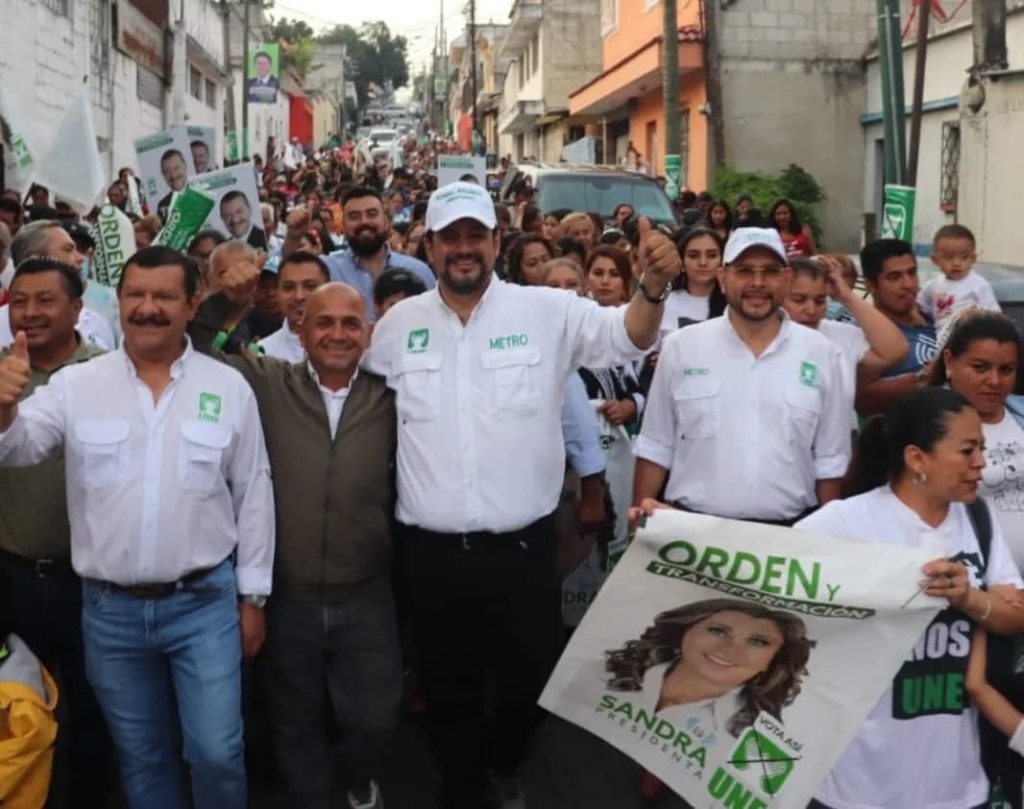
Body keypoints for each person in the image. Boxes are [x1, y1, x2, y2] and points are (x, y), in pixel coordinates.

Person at [363, 180, 681, 809]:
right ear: (428, 246)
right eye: (449, 237)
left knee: (532, 678)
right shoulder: (398, 327)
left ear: (496, 241)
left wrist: (651, 285)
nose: (462, 249)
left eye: (474, 235)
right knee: (447, 686)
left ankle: (503, 762)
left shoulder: (547, 312)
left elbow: (630, 337)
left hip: (522, 549)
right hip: (430, 552)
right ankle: (463, 785)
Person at [0, 245, 275, 809]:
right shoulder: (79, 385)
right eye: (135, 295)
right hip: (110, 614)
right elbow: (18, 447)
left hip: (204, 606)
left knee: (217, 752)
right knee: (143, 758)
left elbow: (253, 494)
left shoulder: (227, 388)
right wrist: (4, 409)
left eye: (164, 296)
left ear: (191, 302)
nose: (147, 308)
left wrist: (255, 597)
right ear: (118, 301)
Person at [190, 280, 400, 809]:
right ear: (300, 331)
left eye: (351, 323)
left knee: (373, 716)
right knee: (293, 718)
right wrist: (224, 298)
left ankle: (360, 783)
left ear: (369, 333)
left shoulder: (393, 394)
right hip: (288, 595)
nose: (337, 334)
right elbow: (194, 343)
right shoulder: (267, 381)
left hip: (367, 592)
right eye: (323, 322)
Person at [795, 388, 1024, 809]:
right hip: (860, 776)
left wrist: (969, 598)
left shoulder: (978, 518)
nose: (981, 464)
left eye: (982, 449)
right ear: (917, 458)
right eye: (968, 450)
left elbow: (1015, 617)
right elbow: (753, 574)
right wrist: (665, 528)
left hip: (955, 779)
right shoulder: (845, 522)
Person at [634, 228, 849, 524]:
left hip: (787, 536)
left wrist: (828, 542)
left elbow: (830, 460)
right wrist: (638, 528)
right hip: (691, 533)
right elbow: (656, 445)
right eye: (745, 270)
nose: (757, 283)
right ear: (723, 279)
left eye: (770, 271)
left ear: (786, 279)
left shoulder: (823, 353)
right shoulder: (681, 347)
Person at [0, 257, 114, 809]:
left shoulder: (110, 374)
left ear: (77, 307)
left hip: (89, 581)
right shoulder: (2, 375)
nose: (30, 312)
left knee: (95, 709)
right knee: (18, 713)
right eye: (19, 301)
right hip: (13, 577)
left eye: (46, 301)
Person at [603, 599, 813, 736]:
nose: (730, 648)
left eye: (758, 642)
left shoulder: (753, 736)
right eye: (718, 631)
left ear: (773, 661)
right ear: (684, 632)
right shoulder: (600, 673)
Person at [929, 310, 1024, 570]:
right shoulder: (924, 421)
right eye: (980, 367)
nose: (994, 381)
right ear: (949, 361)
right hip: (968, 588)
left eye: (1006, 370)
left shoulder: (1019, 414)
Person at [782, 256, 909, 429]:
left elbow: (896, 350)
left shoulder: (840, 335)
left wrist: (846, 296)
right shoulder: (764, 340)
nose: (810, 310)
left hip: (838, 449)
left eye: (820, 301)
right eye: (798, 300)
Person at [288, 187, 435, 322]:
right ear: (343, 226)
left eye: (372, 214)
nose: (364, 222)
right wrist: (293, 238)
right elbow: (289, 275)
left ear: (385, 222)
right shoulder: (326, 268)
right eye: (354, 216)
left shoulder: (418, 271)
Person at [1, 221, 115, 352]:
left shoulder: (97, 322)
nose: (80, 259)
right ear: (35, 260)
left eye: (47, 301)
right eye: (68, 250)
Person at [855, 238, 939, 415]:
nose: (908, 284)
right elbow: (862, 399)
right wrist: (925, 377)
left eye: (912, 273)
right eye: (895, 277)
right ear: (871, 284)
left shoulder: (935, 316)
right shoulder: (865, 334)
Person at [918, 224, 1000, 327]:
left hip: (970, 335)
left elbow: (995, 316)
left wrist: (975, 315)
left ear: (973, 259)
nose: (956, 263)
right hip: (941, 338)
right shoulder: (933, 285)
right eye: (948, 257)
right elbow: (919, 305)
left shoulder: (979, 285)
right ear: (935, 260)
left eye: (964, 257)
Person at [257, 251, 330, 362]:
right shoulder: (263, 352)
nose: (298, 296)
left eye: (310, 286)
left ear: (329, 290)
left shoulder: (353, 345)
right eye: (288, 287)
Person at [661, 227, 726, 334]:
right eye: (693, 256)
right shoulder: (665, 301)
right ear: (681, 262)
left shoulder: (735, 303)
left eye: (712, 255)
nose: (703, 262)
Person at [156, 149, 190, 221]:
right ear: (163, 175)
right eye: (167, 172)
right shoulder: (163, 205)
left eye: (176, 168)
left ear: (185, 166)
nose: (173, 175)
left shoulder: (202, 194)